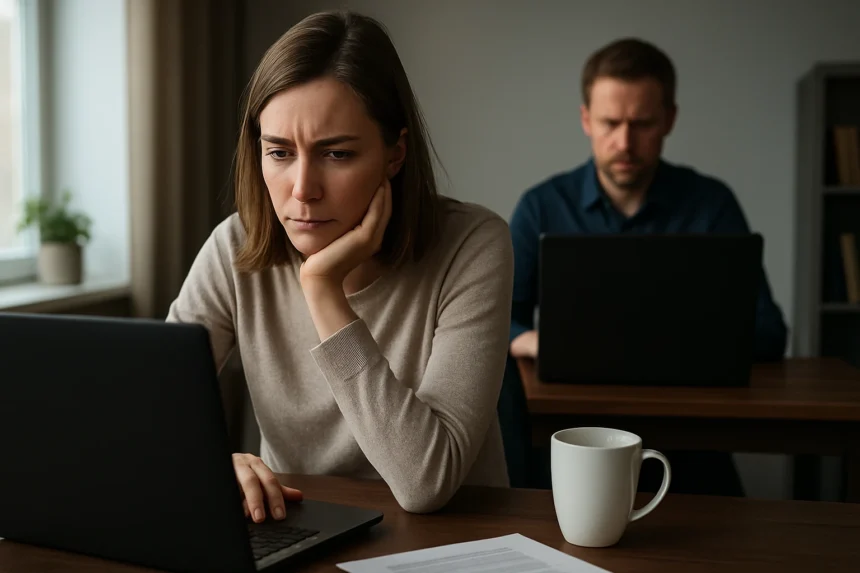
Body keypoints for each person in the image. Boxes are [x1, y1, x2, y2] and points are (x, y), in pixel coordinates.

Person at [167, 10, 514, 519]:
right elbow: (149, 419)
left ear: (394, 154)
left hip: (450, 541)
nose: (303, 189)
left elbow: (425, 482)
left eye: (336, 155)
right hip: (296, 528)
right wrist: (216, 463)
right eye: (279, 153)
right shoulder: (233, 248)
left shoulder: (473, 246)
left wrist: (323, 289)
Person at [501, 37, 788, 493]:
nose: (624, 142)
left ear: (669, 120)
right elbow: (497, 321)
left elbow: (769, 331)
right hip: (573, 437)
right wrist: (534, 339)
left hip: (692, 437)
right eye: (610, 123)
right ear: (585, 120)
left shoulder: (711, 204)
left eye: (642, 124)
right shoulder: (540, 206)